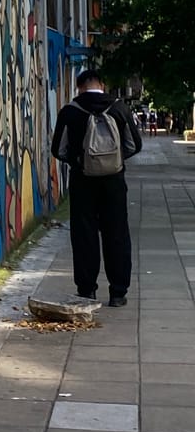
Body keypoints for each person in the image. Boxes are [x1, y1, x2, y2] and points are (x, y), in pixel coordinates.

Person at [51, 69, 142, 307]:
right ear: (102, 84)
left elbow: (58, 150)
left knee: (84, 235)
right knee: (117, 233)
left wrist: (79, 162)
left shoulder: (70, 111)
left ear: (79, 86)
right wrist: (114, 161)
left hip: (82, 182)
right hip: (114, 181)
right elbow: (134, 144)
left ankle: (87, 290)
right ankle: (118, 293)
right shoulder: (120, 108)